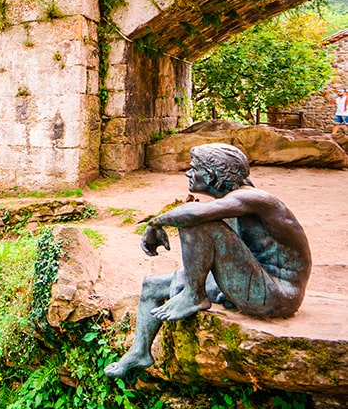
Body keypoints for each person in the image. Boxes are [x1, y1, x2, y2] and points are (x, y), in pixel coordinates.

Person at [104, 143, 311, 378]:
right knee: (153, 285)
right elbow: (224, 254)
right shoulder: (231, 202)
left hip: (277, 294)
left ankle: (194, 296)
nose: (187, 173)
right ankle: (140, 351)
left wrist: (156, 223)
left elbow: (192, 217)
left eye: (193, 169)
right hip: (256, 282)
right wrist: (187, 276)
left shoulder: (253, 198)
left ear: (211, 176)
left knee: (193, 219)